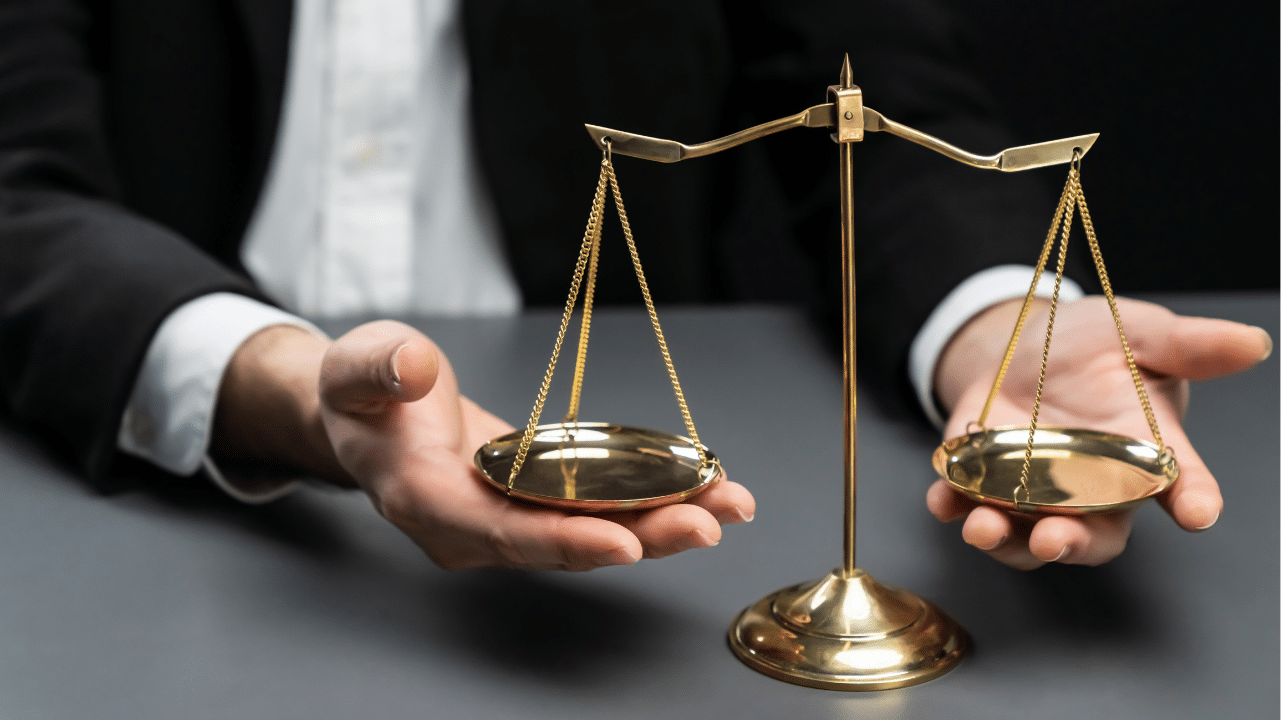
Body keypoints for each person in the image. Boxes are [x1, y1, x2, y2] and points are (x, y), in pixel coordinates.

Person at [0, 0, 1269, 573]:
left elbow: (890, 103)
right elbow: (16, 186)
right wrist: (270, 382)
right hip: (147, 506)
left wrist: (1005, 322)